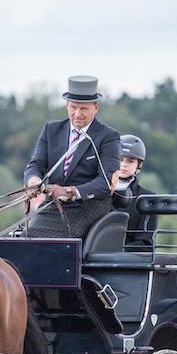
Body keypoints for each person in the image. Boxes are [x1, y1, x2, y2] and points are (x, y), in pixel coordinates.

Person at [22, 75, 122, 238]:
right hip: (54, 203)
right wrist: (33, 180)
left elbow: (106, 182)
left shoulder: (108, 136)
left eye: (83, 109)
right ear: (67, 105)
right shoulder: (51, 130)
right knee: (27, 236)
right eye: (73, 107)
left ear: (95, 107)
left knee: (58, 239)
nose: (77, 114)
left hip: (89, 205)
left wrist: (71, 191)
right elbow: (36, 164)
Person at [110, 134, 154, 250]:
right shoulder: (98, 192)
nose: (124, 164)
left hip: (127, 261)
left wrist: (117, 251)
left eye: (130, 161)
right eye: (120, 159)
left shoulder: (147, 198)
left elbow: (146, 243)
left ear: (138, 165)